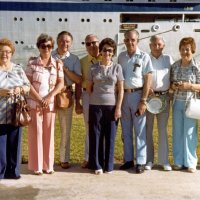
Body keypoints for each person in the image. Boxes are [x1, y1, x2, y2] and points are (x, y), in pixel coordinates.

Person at [25, 33, 64, 175]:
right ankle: (37, 166)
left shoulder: (57, 64)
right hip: (35, 104)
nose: (46, 49)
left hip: (50, 104)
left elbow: (61, 83)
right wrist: (39, 99)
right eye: (43, 46)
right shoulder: (31, 64)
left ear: (52, 47)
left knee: (49, 134)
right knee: (36, 134)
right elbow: (27, 84)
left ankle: (48, 166)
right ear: (39, 47)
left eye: (49, 46)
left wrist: (49, 97)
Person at [87, 38, 124, 174]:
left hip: (112, 106)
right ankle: (96, 165)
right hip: (95, 106)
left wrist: (118, 107)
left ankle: (108, 165)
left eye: (110, 50)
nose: (107, 53)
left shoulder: (117, 68)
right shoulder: (93, 67)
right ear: (100, 52)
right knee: (95, 135)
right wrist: (97, 98)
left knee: (110, 136)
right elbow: (89, 87)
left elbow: (120, 89)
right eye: (105, 50)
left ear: (113, 52)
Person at [118, 29, 153, 174]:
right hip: (124, 96)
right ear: (124, 41)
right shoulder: (121, 56)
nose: (129, 42)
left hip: (138, 95)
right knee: (126, 130)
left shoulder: (144, 56)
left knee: (140, 131)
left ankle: (140, 161)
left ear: (138, 40)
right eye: (127, 40)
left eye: (132, 40)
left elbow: (148, 78)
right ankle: (128, 159)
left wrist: (143, 100)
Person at [0, 38, 30, 179]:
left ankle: (13, 172)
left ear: (12, 53)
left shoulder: (18, 68)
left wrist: (19, 89)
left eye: (7, 51)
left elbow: (28, 86)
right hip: (0, 115)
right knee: (0, 147)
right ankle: (1, 172)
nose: (4, 54)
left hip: (15, 113)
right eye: (1, 51)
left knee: (14, 143)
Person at [52, 31, 82, 169]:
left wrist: (64, 69)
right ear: (57, 41)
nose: (65, 43)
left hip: (66, 95)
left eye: (68, 41)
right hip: (50, 95)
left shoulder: (74, 59)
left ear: (71, 43)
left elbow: (78, 80)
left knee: (65, 129)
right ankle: (47, 158)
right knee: (48, 128)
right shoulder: (49, 55)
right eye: (62, 41)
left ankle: (64, 158)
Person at [170, 37, 200, 173]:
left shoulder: (197, 67)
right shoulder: (175, 66)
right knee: (177, 133)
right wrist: (174, 86)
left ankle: (191, 162)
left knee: (189, 133)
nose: (184, 52)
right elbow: (170, 84)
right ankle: (178, 161)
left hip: (191, 105)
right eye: (182, 49)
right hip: (177, 103)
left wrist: (190, 86)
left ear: (192, 50)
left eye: (187, 49)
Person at [145, 35, 174, 171]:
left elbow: (173, 77)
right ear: (150, 46)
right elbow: (140, 76)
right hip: (149, 99)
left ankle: (164, 161)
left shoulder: (168, 59)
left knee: (162, 130)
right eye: (154, 44)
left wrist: (171, 93)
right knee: (148, 130)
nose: (157, 47)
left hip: (164, 98)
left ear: (163, 46)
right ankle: (148, 160)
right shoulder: (145, 59)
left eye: (159, 44)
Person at [79, 34, 101, 168]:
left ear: (99, 43)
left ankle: (101, 156)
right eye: (88, 44)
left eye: (94, 43)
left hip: (104, 96)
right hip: (88, 95)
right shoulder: (82, 62)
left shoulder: (107, 58)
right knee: (89, 127)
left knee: (102, 126)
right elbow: (78, 82)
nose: (92, 46)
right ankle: (88, 157)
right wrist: (78, 102)